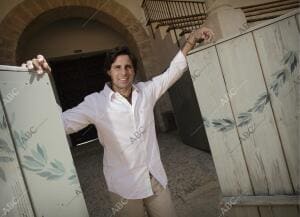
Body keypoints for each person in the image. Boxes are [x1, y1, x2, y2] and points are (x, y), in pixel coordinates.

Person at [23, 27, 214, 217]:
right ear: (108, 70)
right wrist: (39, 83)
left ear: (134, 70)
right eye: (117, 67)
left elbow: (173, 71)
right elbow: (60, 124)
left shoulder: (147, 92)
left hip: (155, 179)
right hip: (124, 188)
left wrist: (191, 41)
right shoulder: (96, 103)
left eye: (128, 67)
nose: (123, 72)